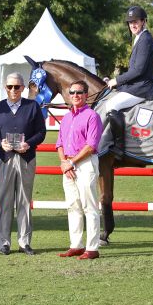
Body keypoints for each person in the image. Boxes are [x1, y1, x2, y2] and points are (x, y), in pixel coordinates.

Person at [0, 72, 46, 256]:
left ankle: (24, 241)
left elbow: (41, 132)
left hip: (26, 158)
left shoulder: (32, 106)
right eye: (10, 87)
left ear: (23, 88)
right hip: (4, 158)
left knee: (24, 201)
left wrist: (29, 144)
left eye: (17, 87)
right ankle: (3, 242)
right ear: (5, 88)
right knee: (4, 201)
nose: (13, 90)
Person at [56, 80, 103, 260]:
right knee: (72, 205)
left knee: (89, 206)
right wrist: (64, 163)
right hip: (68, 164)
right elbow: (59, 143)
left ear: (85, 94)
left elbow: (91, 146)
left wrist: (71, 163)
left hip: (85, 164)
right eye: (72, 92)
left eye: (79, 92)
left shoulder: (92, 116)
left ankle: (92, 248)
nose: (75, 95)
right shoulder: (67, 118)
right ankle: (76, 245)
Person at [106, 6, 153, 158]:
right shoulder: (139, 38)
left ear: (143, 21)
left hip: (142, 87)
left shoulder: (145, 40)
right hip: (137, 84)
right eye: (130, 22)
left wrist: (117, 80)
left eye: (136, 22)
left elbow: (138, 70)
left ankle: (119, 148)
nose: (133, 25)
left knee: (111, 105)